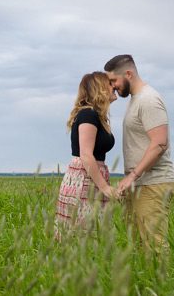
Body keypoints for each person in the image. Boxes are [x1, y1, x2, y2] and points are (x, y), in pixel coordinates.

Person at [104, 54, 174, 250]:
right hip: (139, 184)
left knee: (153, 246)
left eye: (113, 80)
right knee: (137, 246)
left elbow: (160, 143)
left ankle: (163, 281)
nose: (112, 86)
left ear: (128, 73)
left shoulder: (149, 99)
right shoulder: (136, 100)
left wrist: (133, 176)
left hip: (152, 183)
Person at [55, 71, 118, 237]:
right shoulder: (88, 114)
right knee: (83, 236)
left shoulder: (97, 116)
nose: (114, 86)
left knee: (92, 235)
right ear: (100, 88)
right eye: (110, 83)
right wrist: (104, 187)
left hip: (91, 178)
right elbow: (86, 155)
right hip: (83, 180)